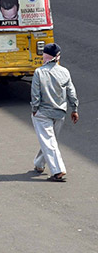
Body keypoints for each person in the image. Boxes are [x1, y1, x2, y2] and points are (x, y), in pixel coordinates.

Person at [29, 42, 77, 182]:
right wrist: (74, 109)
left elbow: (35, 95)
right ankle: (39, 164)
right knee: (50, 141)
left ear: (44, 56)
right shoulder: (65, 72)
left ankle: (58, 170)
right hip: (60, 113)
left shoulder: (39, 72)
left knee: (49, 142)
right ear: (57, 56)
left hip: (43, 113)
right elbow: (71, 93)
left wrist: (34, 110)